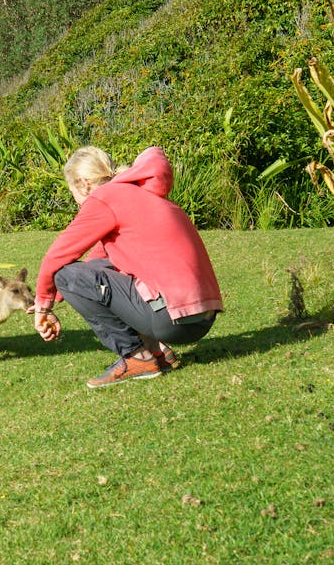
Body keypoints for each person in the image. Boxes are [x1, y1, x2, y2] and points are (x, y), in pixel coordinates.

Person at [32, 145, 223, 388]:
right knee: (95, 273)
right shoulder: (140, 194)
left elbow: (57, 257)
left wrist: (43, 309)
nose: (76, 201)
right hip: (201, 319)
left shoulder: (104, 198)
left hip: (172, 321)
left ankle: (136, 357)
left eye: (73, 192)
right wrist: (48, 298)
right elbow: (98, 264)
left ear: (83, 183)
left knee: (65, 274)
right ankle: (157, 352)